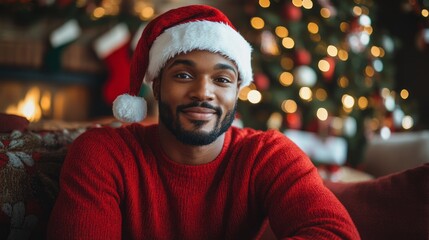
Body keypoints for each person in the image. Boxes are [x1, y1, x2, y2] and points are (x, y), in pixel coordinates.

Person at [47, 4, 360, 240]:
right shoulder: (103, 153)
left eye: (222, 79)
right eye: (183, 75)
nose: (203, 93)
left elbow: (334, 234)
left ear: (237, 91)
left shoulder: (267, 155)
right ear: (156, 86)